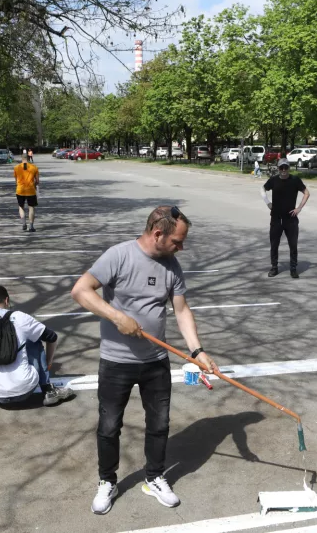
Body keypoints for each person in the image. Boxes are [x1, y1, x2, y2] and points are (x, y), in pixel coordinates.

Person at [71, 206, 220, 515]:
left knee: (160, 424)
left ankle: (154, 477)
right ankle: (107, 481)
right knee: (110, 426)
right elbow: (81, 291)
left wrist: (197, 352)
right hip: (116, 362)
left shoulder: (172, 266)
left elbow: (181, 311)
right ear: (157, 234)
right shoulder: (118, 256)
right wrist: (116, 316)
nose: (181, 247)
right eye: (177, 241)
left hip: (156, 361)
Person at [261, 159, 310, 278]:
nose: (283, 170)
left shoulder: (295, 180)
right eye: (281, 168)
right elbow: (262, 189)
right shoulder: (273, 180)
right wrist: (267, 202)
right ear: (278, 168)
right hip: (276, 218)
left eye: (285, 168)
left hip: (290, 219)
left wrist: (299, 208)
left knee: (293, 244)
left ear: (289, 168)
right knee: (274, 244)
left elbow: (307, 193)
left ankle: (293, 268)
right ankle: (274, 267)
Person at [14, 154, 40, 232]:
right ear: (28, 158)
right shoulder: (34, 167)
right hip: (31, 190)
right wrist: (34, 184)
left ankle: (24, 223)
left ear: (21, 159)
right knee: (31, 207)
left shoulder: (16, 168)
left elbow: (16, 181)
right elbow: (37, 181)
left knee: (21, 207)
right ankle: (31, 226)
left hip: (20, 190)